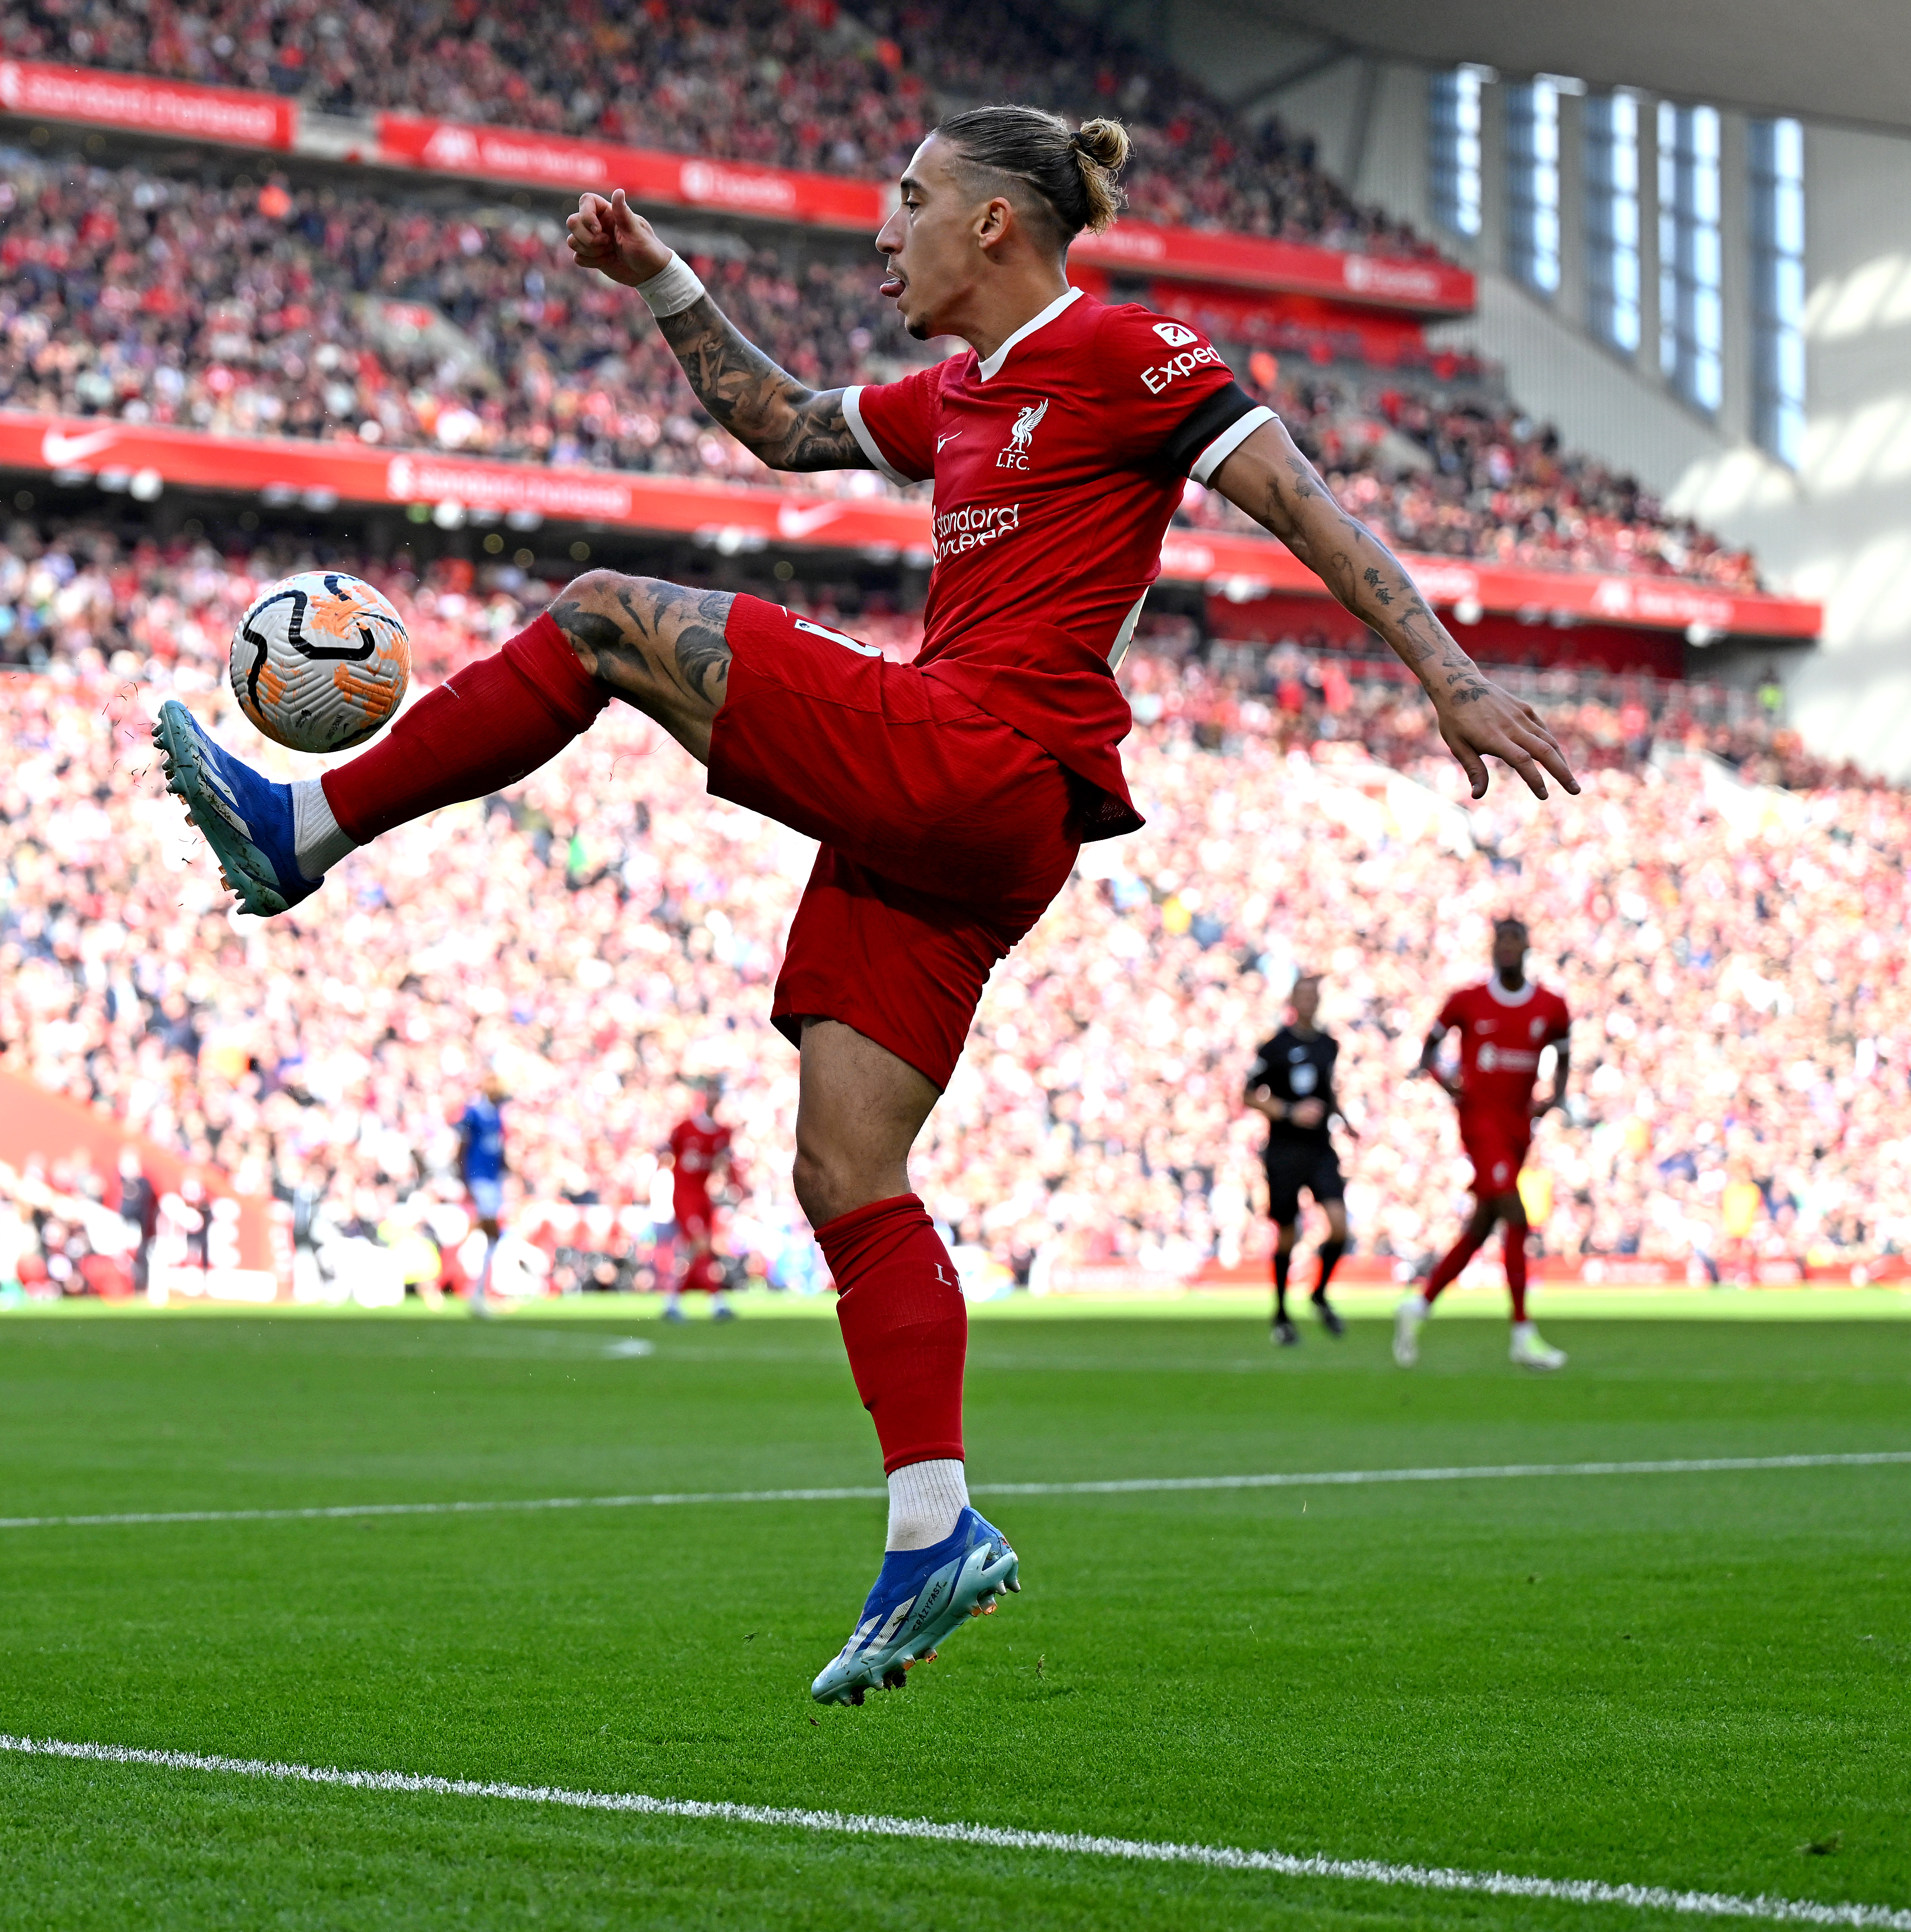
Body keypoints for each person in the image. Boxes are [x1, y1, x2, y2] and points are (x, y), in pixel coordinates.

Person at [154, 105, 1579, 1704]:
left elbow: (1304, 503)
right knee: (842, 1166)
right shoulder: (950, 399)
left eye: (905, 201)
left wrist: (1449, 681)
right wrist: (659, 278)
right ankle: (932, 1528)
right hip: (961, 812)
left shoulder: (1124, 349)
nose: (879, 230)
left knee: (605, 614)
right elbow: (773, 421)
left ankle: (306, 822)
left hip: (988, 755)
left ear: (991, 224)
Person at [1396, 918, 1572, 1372]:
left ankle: (1419, 1304)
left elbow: (1565, 1053)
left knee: (1482, 1225)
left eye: (1515, 941)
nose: (1507, 949)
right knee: (1516, 1213)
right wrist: (1444, 1081)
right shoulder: (1467, 1000)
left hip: (1518, 1126)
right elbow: (1427, 1052)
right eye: (1501, 942)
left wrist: (1554, 1097)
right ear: (1493, 949)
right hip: (1480, 1121)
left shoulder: (1550, 1005)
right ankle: (1521, 1331)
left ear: (1527, 947)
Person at [1245, 976, 1352, 1346]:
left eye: (1313, 996)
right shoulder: (1274, 1047)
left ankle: (1319, 1293)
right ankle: (1281, 1313)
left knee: (1339, 1225)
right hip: (1285, 1151)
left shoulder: (1328, 1045)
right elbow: (1249, 1095)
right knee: (1288, 1233)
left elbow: (1328, 1089)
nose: (1308, 1002)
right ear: (1292, 1000)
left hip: (1321, 1148)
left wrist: (1345, 1120)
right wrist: (1289, 1111)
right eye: (1302, 995)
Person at [662, 1082, 738, 1322]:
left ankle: (673, 1302)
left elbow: (722, 1163)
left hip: (703, 1197)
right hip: (684, 1196)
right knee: (701, 1244)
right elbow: (667, 1154)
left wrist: (729, 1183)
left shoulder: (723, 1133)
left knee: (698, 1251)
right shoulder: (686, 1128)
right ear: (705, 1097)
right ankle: (717, 1303)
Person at [453, 1075, 509, 1318]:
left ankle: (479, 1294)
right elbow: (463, 1147)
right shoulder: (475, 1113)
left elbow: (497, 1151)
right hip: (480, 1179)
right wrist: (465, 1178)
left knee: (491, 1236)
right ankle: (476, 1294)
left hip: (491, 1180)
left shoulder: (497, 1117)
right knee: (490, 1234)